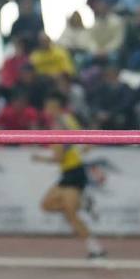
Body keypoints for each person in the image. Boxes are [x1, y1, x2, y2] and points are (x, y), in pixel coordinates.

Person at [35, 92, 105, 259]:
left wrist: (41, 159)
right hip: (67, 172)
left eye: (47, 107)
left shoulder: (64, 121)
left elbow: (62, 154)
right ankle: (81, 205)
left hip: (75, 172)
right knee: (47, 205)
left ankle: (95, 248)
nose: (45, 111)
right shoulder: (61, 123)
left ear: (54, 107)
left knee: (71, 215)